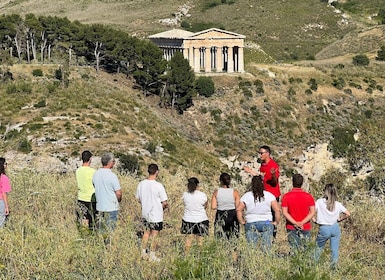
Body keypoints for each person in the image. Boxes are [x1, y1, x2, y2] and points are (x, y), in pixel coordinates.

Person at [244, 145, 280, 237]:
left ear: (267, 153)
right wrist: (250, 171)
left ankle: (272, 235)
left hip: (272, 195)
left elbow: (274, 182)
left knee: (271, 215)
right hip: (264, 194)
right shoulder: (263, 165)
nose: (260, 155)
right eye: (259, 153)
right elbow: (261, 177)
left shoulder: (273, 165)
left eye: (261, 153)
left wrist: (273, 175)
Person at [236, 175, 280, 252]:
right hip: (266, 222)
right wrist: (276, 222)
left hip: (251, 222)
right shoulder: (269, 195)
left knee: (252, 248)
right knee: (266, 248)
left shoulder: (246, 196)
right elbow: (277, 210)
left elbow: (239, 210)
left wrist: (242, 221)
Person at [136, 164, 168, 262]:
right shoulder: (159, 186)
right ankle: (152, 255)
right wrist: (162, 207)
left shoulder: (141, 184)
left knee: (146, 233)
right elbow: (164, 202)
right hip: (156, 214)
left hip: (145, 213)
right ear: (157, 172)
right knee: (155, 235)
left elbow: (138, 198)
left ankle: (143, 252)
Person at [315, 183, 351, 268]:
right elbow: (348, 214)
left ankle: (314, 265)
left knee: (318, 248)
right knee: (334, 250)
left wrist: (314, 220)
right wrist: (340, 219)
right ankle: (333, 267)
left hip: (324, 227)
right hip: (335, 227)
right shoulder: (337, 204)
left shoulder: (320, 202)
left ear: (325, 191)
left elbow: (312, 210)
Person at [281, 173, 315, 252]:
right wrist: (302, 222)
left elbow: (285, 212)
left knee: (294, 249)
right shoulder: (308, 196)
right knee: (306, 249)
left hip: (291, 226)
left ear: (292, 182)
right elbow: (312, 212)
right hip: (305, 226)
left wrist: (295, 223)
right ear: (302, 183)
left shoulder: (286, 196)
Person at [92, 152, 122, 235]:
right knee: (110, 231)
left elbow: (95, 186)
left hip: (100, 207)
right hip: (111, 207)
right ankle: (108, 247)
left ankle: (101, 245)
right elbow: (118, 193)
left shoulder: (96, 174)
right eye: (114, 161)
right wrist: (118, 200)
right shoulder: (112, 176)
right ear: (110, 162)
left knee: (101, 230)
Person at [181, 177, 209, 252]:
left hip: (188, 219)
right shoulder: (202, 195)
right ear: (197, 185)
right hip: (201, 219)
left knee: (188, 241)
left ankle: (186, 257)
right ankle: (199, 258)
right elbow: (205, 205)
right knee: (200, 242)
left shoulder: (185, 194)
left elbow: (185, 203)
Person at [211, 172, 240, 239]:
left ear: (220, 181)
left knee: (219, 236)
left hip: (220, 214)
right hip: (232, 214)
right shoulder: (235, 192)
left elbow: (213, 206)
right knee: (233, 236)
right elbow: (238, 206)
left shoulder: (216, 192)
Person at [76, 151, 97, 230]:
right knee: (92, 222)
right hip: (91, 199)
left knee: (83, 220)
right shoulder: (93, 172)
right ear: (90, 159)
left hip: (81, 197)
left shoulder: (78, 171)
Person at [0, 158, 11, 228]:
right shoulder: (4, 178)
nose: (6, 165)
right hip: (1, 201)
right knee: (1, 221)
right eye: (5, 164)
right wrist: (7, 207)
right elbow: (4, 193)